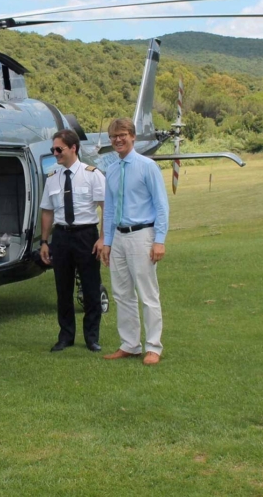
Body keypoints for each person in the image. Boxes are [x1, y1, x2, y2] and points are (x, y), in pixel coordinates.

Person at [100, 118, 169, 366]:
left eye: (122, 135)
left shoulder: (147, 166)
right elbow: (108, 210)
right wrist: (107, 242)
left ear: (132, 136)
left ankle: (153, 347)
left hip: (142, 235)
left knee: (148, 294)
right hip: (118, 236)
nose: (118, 140)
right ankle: (130, 344)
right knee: (121, 294)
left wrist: (159, 240)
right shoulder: (112, 170)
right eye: (113, 136)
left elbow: (161, 205)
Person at [39, 129, 106, 352]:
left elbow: (106, 207)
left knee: (90, 288)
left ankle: (91, 337)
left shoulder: (92, 174)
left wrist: (104, 238)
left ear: (73, 148)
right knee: (63, 289)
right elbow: (47, 211)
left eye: (59, 149)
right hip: (61, 236)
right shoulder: (52, 177)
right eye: (53, 150)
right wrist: (45, 242)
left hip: (86, 235)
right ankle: (66, 336)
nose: (55, 153)